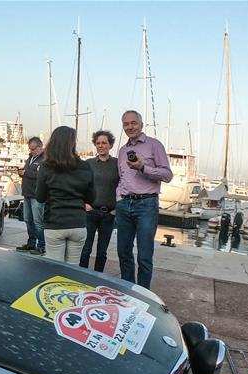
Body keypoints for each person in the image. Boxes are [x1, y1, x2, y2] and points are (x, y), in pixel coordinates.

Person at [116, 110, 173, 288]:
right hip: (124, 205)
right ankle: (128, 290)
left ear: (141, 124)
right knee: (123, 252)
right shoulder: (122, 150)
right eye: (126, 124)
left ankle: (143, 294)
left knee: (144, 255)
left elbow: (167, 175)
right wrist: (118, 197)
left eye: (133, 123)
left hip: (146, 205)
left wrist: (143, 167)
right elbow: (121, 177)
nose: (130, 127)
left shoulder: (154, 145)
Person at [34, 126, 94, 265]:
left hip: (55, 222)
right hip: (78, 223)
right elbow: (92, 198)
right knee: (73, 269)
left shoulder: (46, 166)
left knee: (55, 271)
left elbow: (40, 197)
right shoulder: (85, 166)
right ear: (72, 143)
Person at [80, 130, 119, 272]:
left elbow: (123, 187)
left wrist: (117, 209)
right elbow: (80, 185)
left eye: (104, 143)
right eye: (98, 143)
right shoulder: (88, 163)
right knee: (86, 249)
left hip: (109, 215)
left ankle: (98, 278)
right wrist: (84, 203)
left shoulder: (117, 164)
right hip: (90, 213)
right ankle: (81, 276)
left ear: (111, 145)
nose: (101, 146)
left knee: (102, 252)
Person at [16, 137, 46, 255]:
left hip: (36, 195)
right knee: (28, 220)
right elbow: (30, 172)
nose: (31, 151)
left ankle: (41, 246)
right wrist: (22, 172)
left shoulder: (44, 160)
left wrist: (26, 173)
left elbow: (41, 175)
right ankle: (31, 243)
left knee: (38, 221)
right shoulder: (30, 158)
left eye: (33, 149)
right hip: (27, 193)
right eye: (30, 149)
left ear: (40, 147)